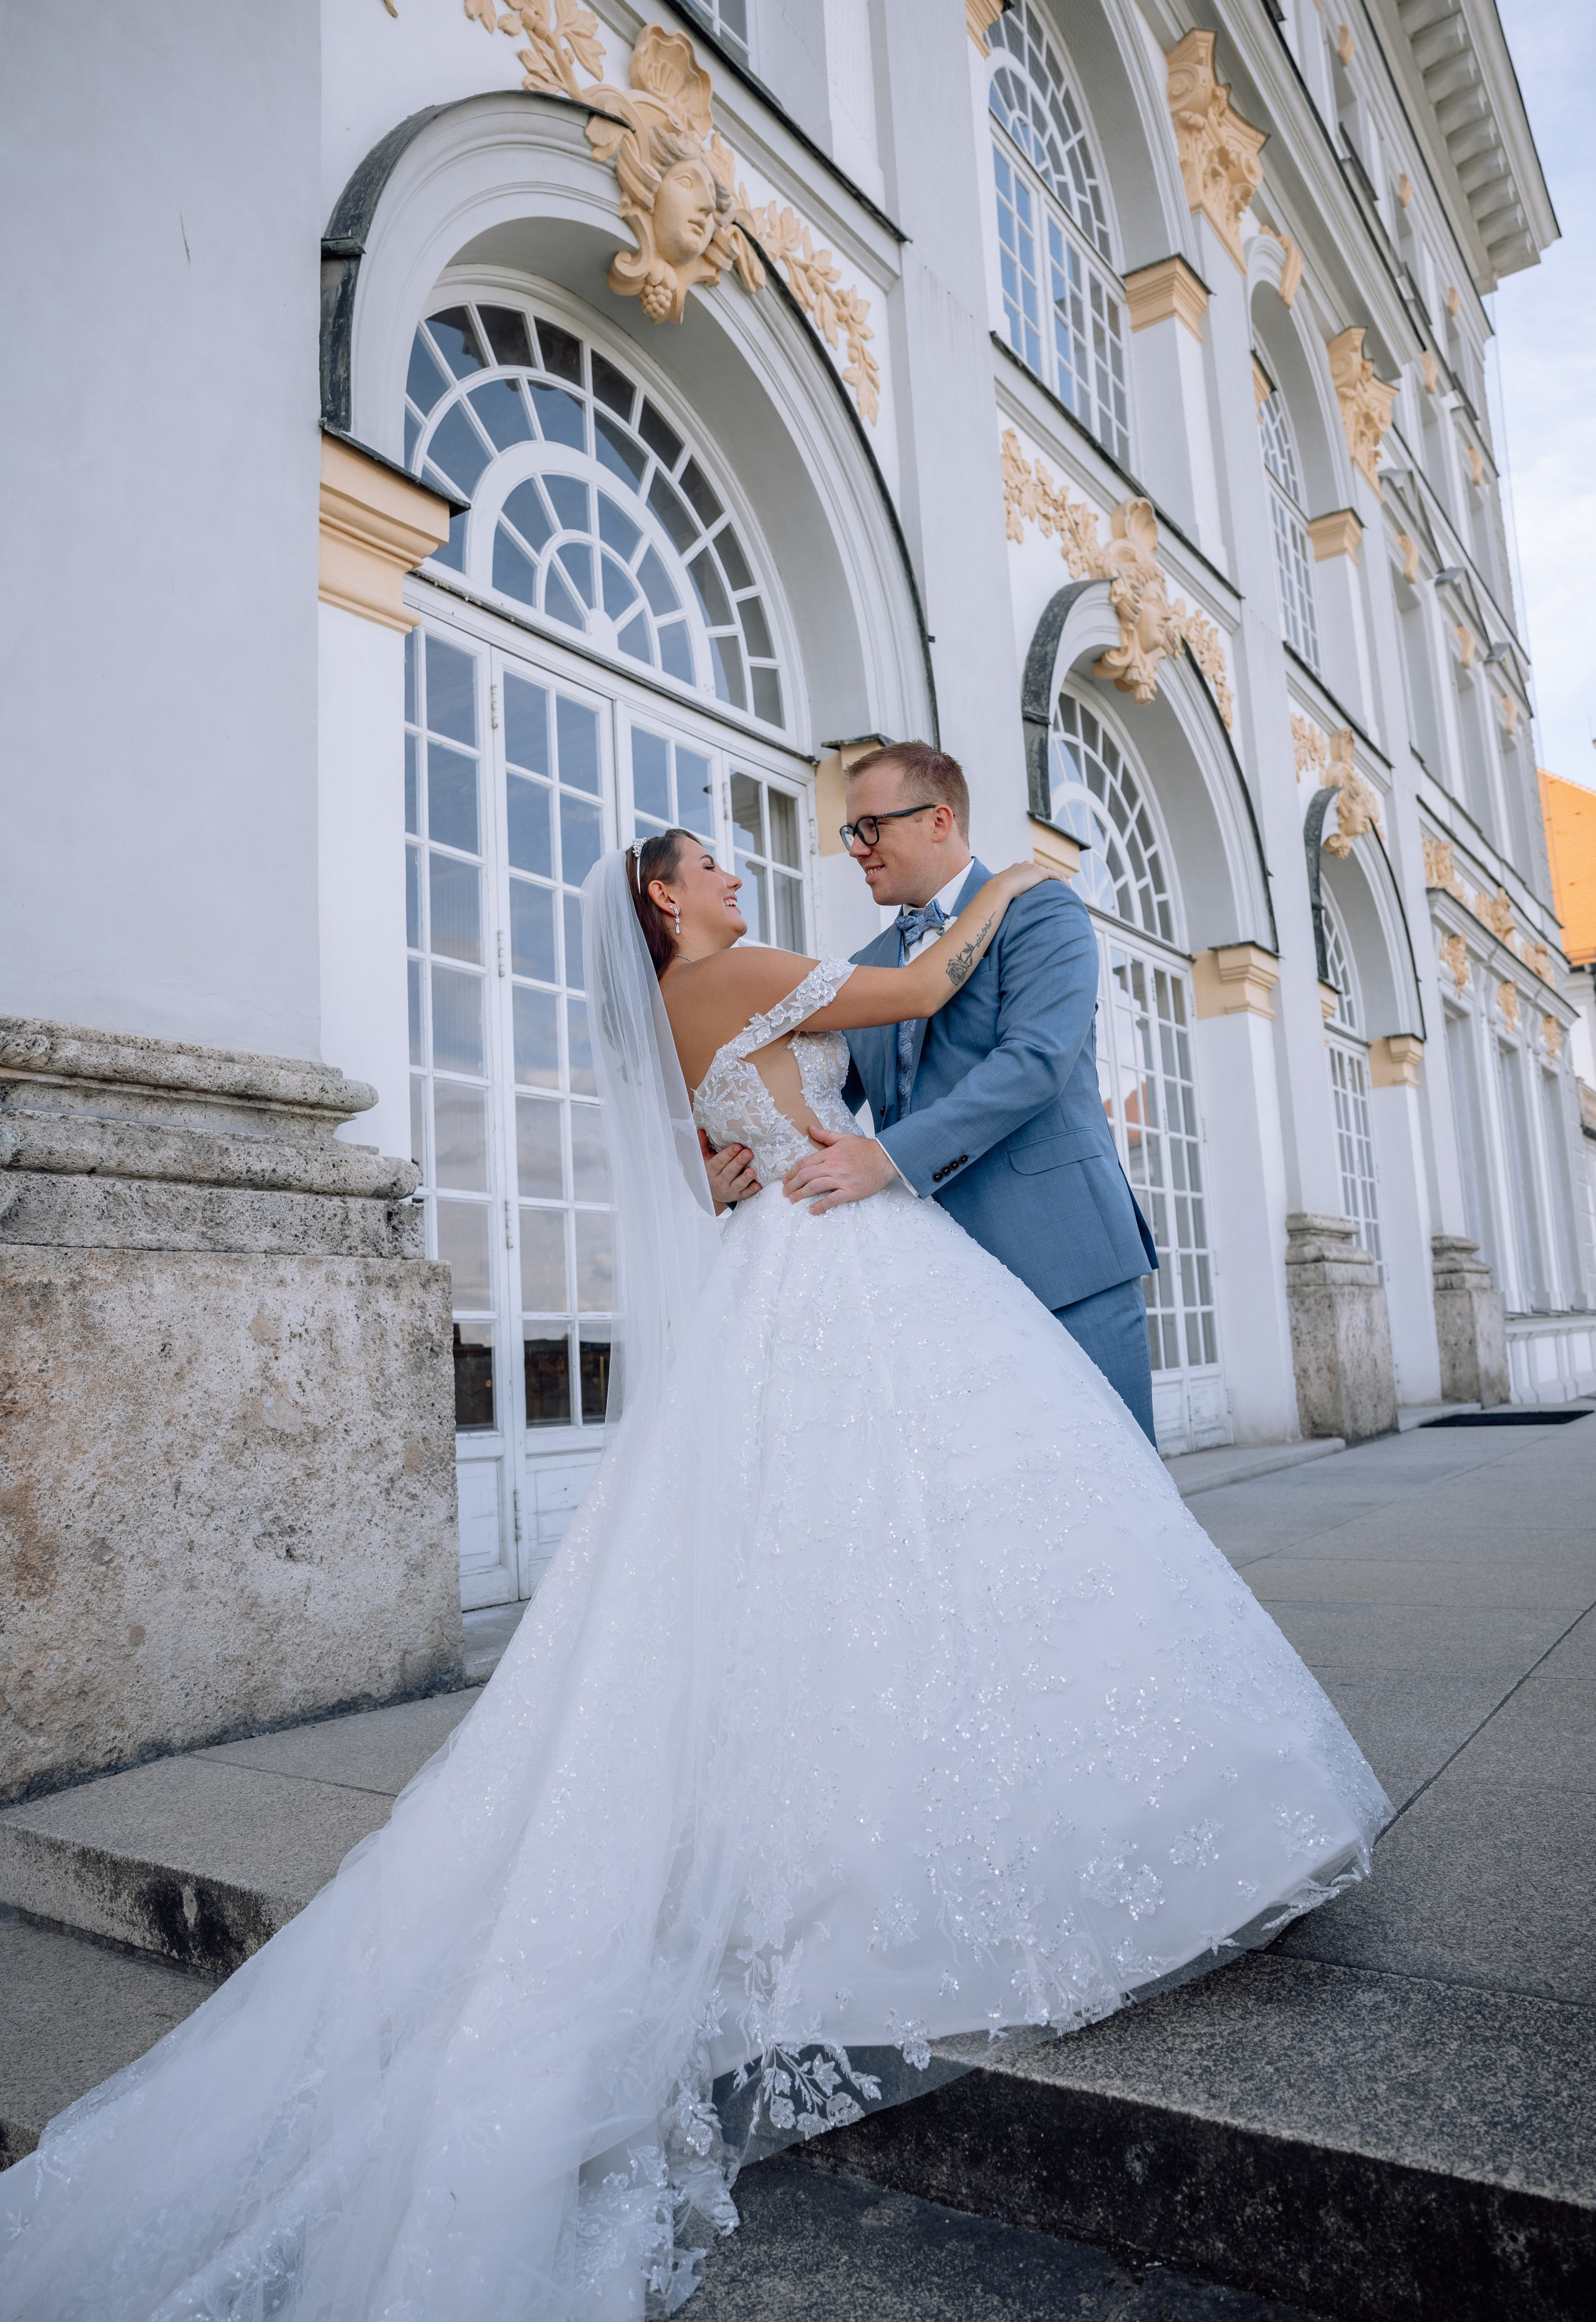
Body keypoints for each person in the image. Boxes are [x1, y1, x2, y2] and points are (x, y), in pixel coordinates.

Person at [0, 834, 1390, 2322]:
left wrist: (760, 1140)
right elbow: (921, 980)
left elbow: (720, 1159)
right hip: (847, 1256)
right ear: (666, 900)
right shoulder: (729, 970)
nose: (737, 880)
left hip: (774, 1260)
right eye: (713, 867)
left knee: (822, 1548)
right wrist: (1010, 887)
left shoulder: (669, 1008)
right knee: (913, 1531)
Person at [781, 742, 1162, 1446]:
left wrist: (885, 1158)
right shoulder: (866, 967)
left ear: (938, 819)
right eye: (849, 832)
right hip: (933, 1283)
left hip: (1064, 1262)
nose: (857, 848)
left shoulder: (1042, 912)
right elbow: (819, 1099)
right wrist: (736, 1164)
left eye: (871, 827)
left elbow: (1035, 1063)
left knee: (1120, 1495)